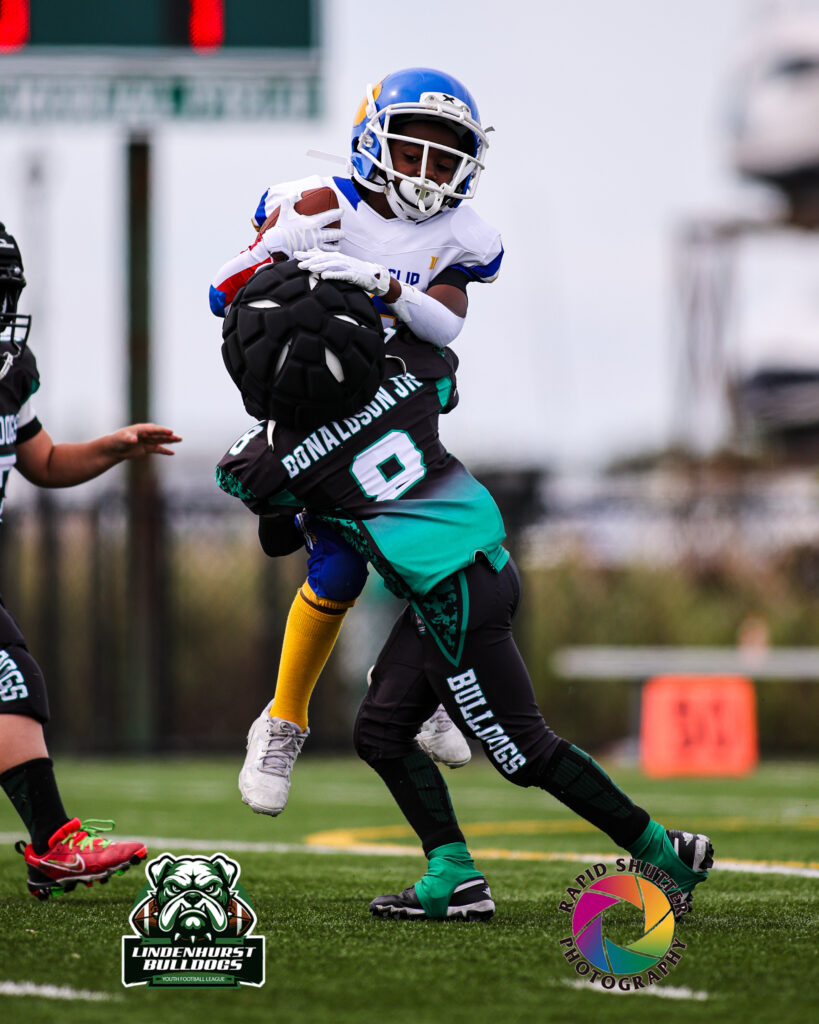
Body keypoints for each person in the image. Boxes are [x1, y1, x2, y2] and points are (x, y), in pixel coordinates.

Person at [216, 262, 714, 923]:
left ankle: (660, 850)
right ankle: (452, 874)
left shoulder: (272, 458)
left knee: (522, 750)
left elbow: (277, 535)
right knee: (381, 731)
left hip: (452, 600)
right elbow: (441, 369)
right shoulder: (409, 371)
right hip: (482, 573)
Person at [209, 68, 504, 815]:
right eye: (412, 153)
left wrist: (382, 283)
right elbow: (221, 293)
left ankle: (415, 690)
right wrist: (277, 247)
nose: (427, 175)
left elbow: (446, 323)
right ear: (372, 142)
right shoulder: (318, 203)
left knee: (432, 556)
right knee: (340, 567)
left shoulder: (461, 237)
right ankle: (283, 720)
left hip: (395, 408)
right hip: (318, 409)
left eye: (444, 161)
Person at [0, 222, 182, 899]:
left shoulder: (8, 374)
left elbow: (43, 461)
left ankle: (53, 844)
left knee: (11, 679)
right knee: (11, 679)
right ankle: (53, 844)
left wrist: (113, 447)